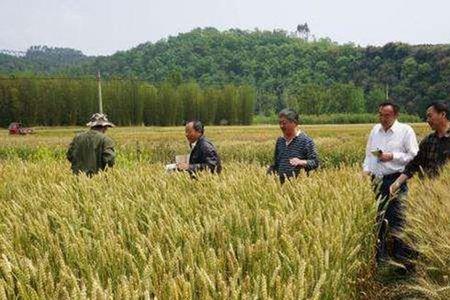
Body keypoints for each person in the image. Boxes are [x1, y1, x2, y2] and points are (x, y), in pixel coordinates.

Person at [362, 102, 419, 268]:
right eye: (380, 115)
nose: (382, 118)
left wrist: (392, 156)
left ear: (395, 115)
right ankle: (380, 260)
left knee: (397, 221)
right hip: (376, 181)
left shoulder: (405, 131)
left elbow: (414, 156)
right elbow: (368, 154)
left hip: (395, 180)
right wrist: (365, 170)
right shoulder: (375, 130)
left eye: (386, 115)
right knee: (378, 221)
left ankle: (401, 261)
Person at [390, 101, 450, 194]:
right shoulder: (428, 141)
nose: (427, 120)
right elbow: (414, 164)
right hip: (428, 193)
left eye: (430, 116)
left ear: (442, 114)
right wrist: (397, 183)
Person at [268, 108, 319, 183]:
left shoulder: (306, 141)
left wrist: (301, 162)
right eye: (280, 123)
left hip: (299, 187)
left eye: (284, 123)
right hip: (281, 187)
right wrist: (270, 170)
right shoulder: (280, 141)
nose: (281, 126)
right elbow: (277, 163)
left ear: (294, 123)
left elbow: (315, 162)